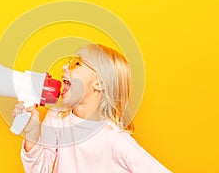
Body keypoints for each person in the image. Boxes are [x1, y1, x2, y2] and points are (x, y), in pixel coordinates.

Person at [12, 44, 171, 173]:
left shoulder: (114, 139)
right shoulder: (57, 117)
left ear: (99, 83)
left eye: (77, 63)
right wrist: (32, 133)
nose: (64, 66)